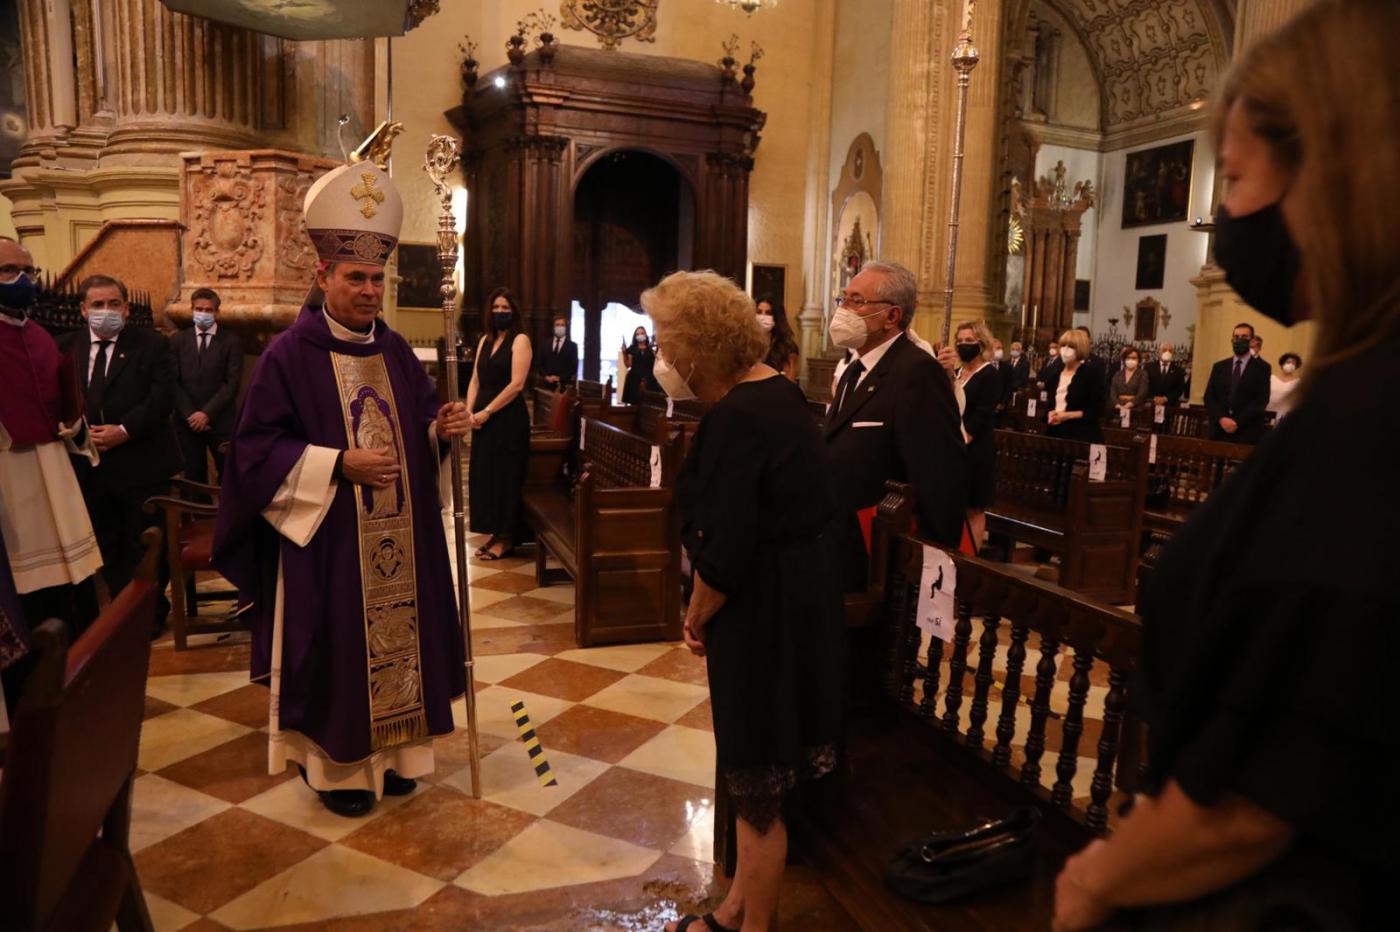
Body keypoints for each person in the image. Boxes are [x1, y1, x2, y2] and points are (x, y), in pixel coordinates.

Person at [1054, 4, 1397, 927]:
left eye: (1236, 178)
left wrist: (1092, 881)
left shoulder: (1374, 418)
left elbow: (1263, 796)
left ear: (1332, 173)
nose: (1226, 219)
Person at [212, 149, 469, 819]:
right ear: (324, 275)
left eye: (378, 279)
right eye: (356, 278)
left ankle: (401, 753)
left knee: (398, 645)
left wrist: (443, 427)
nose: (370, 292)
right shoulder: (287, 356)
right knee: (337, 650)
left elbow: (417, 424)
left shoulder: (394, 352)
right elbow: (253, 450)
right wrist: (334, 464)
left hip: (399, 542)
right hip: (328, 541)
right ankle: (341, 772)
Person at [649, 270, 843, 932]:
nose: (663, 358)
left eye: (666, 341)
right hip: (794, 606)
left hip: (760, 616)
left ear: (697, 347)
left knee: (757, 781)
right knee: (747, 770)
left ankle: (754, 927)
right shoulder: (781, 396)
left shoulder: (737, 418)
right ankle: (733, 909)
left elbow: (725, 546)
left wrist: (696, 613)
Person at [824, 260, 965, 593]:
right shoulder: (854, 371)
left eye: (856, 301)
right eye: (843, 299)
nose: (844, 309)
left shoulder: (917, 373)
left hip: (882, 557)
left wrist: (930, 575)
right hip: (841, 545)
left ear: (892, 316)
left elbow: (939, 478)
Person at [60, 274, 178, 631]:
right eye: (98, 305)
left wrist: (123, 431)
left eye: (114, 304)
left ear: (126, 308)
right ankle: (121, 612)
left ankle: (150, 613)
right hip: (89, 463)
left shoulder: (152, 344)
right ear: (83, 310)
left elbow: (162, 397)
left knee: (143, 541)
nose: (106, 311)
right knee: (105, 543)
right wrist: (78, 432)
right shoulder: (65, 347)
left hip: (141, 462)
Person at [0, 236, 101, 643]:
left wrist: (74, 426)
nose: (23, 280)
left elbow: (67, 405)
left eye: (28, 272)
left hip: (56, 474)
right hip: (11, 475)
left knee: (72, 584)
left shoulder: (41, 335)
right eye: (10, 271)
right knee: (26, 591)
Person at [466, 287, 532, 561]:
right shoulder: (484, 340)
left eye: (505, 308)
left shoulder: (521, 340)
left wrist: (488, 411)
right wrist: (469, 412)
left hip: (507, 419)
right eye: (496, 308)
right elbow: (475, 380)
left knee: (506, 477)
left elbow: (516, 384)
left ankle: (506, 538)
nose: (500, 312)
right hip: (482, 419)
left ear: (513, 312)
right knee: (486, 477)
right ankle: (494, 531)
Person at [170, 287, 242, 488]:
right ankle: (194, 519)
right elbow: (172, 382)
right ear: (191, 309)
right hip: (187, 422)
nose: (203, 314)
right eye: (198, 309)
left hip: (221, 421)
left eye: (208, 310)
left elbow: (232, 383)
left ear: (216, 312)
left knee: (228, 476)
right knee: (192, 478)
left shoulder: (231, 341)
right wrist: (191, 414)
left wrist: (206, 414)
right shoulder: (178, 340)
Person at [940, 321, 998, 550]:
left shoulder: (989, 375)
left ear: (981, 344)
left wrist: (964, 439)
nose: (964, 345)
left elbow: (983, 414)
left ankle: (970, 557)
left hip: (976, 450)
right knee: (954, 503)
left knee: (974, 506)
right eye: (960, 341)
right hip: (954, 448)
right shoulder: (957, 373)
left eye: (969, 341)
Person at [1202, 322, 1272, 443]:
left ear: (1251, 341)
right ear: (1232, 340)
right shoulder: (1219, 366)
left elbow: (1261, 400)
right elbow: (1209, 397)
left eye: (1244, 337)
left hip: (1246, 430)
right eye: (1236, 337)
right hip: (1219, 430)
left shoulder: (1262, 368)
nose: (1239, 340)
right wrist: (1221, 418)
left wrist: (1237, 422)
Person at [1043, 328, 1103, 442]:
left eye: (1070, 347)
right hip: (1055, 432)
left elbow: (1097, 410)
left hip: (1080, 435)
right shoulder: (1055, 375)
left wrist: (1067, 415)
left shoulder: (1091, 374)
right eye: (1063, 345)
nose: (1065, 350)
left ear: (1080, 349)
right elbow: (1052, 404)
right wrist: (1050, 413)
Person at [755, 297, 799, 381]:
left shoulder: (787, 346)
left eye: (768, 313)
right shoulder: (748, 344)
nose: (763, 316)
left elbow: (790, 380)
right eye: (759, 312)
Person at [539, 313, 578, 392]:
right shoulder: (545, 344)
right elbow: (540, 364)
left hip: (563, 386)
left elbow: (573, 367)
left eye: (562, 325)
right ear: (553, 327)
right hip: (546, 386)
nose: (559, 327)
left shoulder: (572, 346)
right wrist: (546, 376)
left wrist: (560, 378)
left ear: (566, 327)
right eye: (557, 325)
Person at [621, 325, 659, 403]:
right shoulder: (632, 348)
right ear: (635, 336)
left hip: (649, 379)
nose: (640, 335)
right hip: (634, 378)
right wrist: (624, 353)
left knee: (649, 403)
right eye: (638, 334)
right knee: (634, 403)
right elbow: (628, 365)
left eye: (642, 333)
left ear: (645, 335)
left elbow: (656, 363)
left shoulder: (651, 349)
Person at [1268, 352, 1302, 418]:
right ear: (1282, 364)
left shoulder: (1298, 382)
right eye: (1288, 362)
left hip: (1286, 415)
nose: (1290, 365)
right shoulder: (1271, 378)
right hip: (1268, 413)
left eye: (1293, 363)